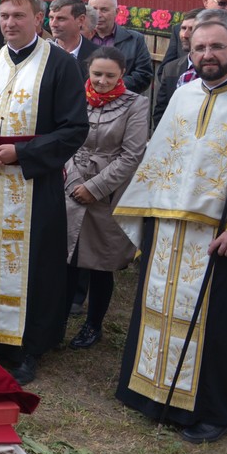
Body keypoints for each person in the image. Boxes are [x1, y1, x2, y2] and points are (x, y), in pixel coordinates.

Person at [113, 12, 227, 444]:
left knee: (220, 324)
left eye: (216, 46)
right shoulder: (184, 95)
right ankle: (151, 392)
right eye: (199, 47)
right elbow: (160, 158)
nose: (207, 54)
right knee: (160, 308)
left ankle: (213, 410)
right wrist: (148, 213)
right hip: (169, 229)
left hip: (222, 236)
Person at [0, 0, 88, 385]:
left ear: (38, 18)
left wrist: (22, 153)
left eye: (18, 15)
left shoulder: (60, 65)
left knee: (33, 264)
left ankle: (27, 348)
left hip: (33, 185)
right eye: (4, 16)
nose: (9, 23)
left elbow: (74, 128)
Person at [62, 47, 148, 350]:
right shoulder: (74, 97)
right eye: (97, 74)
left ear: (122, 74)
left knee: (100, 263)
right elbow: (64, 138)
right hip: (69, 186)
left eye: (110, 75)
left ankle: (93, 324)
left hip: (109, 193)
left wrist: (95, 187)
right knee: (67, 258)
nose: (102, 81)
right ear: (88, 70)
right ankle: (57, 320)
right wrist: (74, 180)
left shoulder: (136, 104)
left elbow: (132, 155)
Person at [86, 0, 154, 94]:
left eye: (104, 10)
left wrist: (112, 86)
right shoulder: (79, 38)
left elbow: (144, 75)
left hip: (123, 100)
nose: (98, 14)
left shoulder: (135, 40)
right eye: (94, 9)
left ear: (117, 12)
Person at [47, 0, 96, 68]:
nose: (53, 24)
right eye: (51, 18)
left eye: (61, 19)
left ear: (80, 20)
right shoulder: (41, 52)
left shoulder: (98, 55)